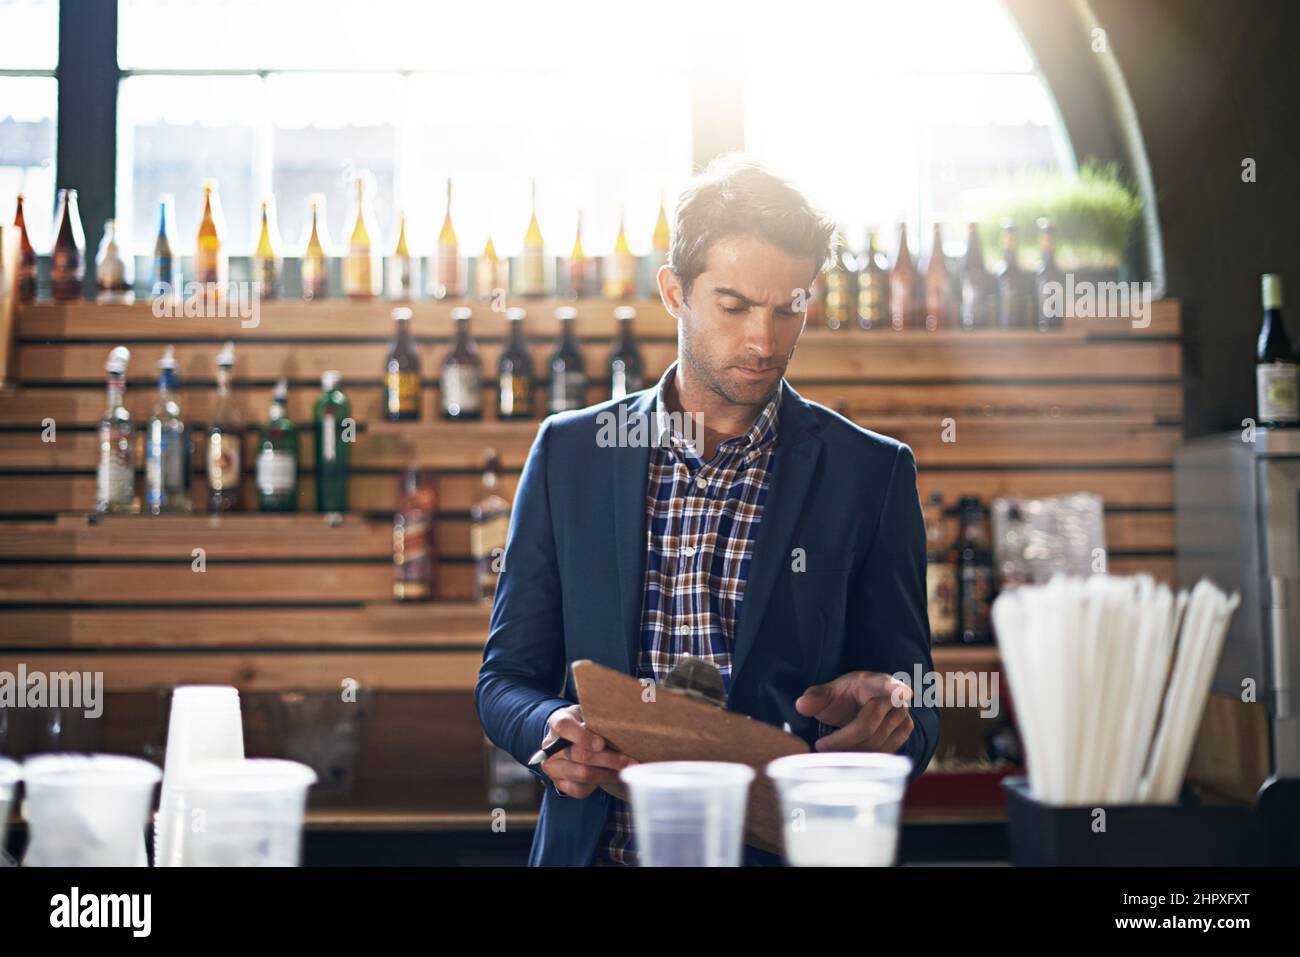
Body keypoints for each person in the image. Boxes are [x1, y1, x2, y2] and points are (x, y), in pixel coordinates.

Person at [476, 154, 939, 866]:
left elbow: (920, 702)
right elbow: (503, 679)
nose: (764, 339)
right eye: (734, 306)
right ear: (674, 292)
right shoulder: (570, 454)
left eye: (790, 307)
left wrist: (890, 718)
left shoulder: (871, 473)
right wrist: (548, 732)